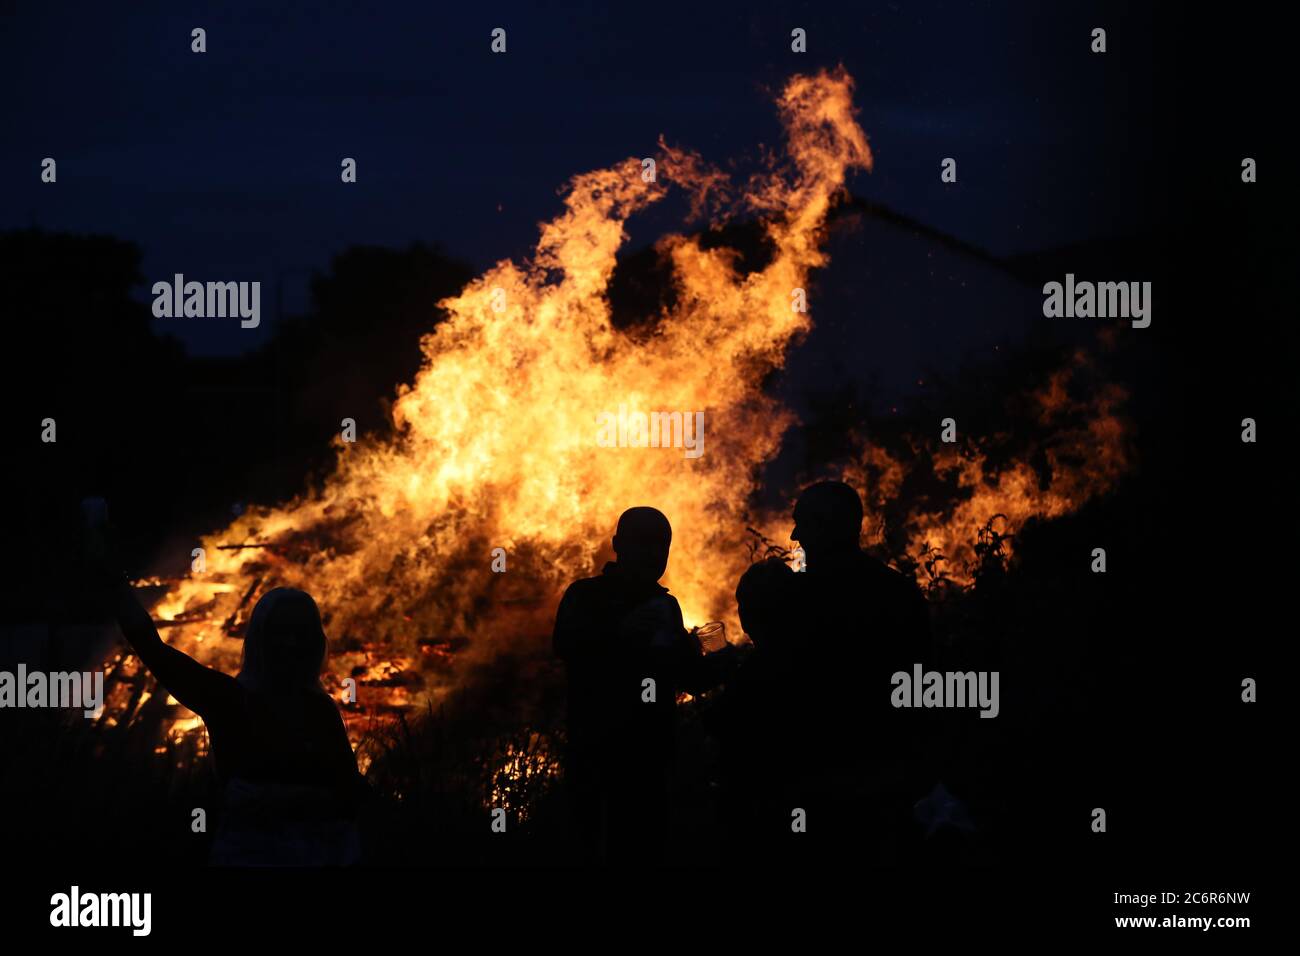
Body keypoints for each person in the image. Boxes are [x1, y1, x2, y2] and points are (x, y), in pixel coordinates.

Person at [88, 514, 367, 865]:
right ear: (262, 641)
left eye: (301, 633)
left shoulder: (320, 710)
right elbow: (153, 648)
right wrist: (114, 582)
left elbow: (350, 792)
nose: (292, 645)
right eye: (282, 633)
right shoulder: (231, 700)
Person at [552, 506, 726, 864]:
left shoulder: (665, 606)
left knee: (644, 850)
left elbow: (688, 677)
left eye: (660, 545)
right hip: (597, 756)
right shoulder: (585, 596)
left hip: (651, 761)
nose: (652, 553)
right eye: (642, 543)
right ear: (618, 544)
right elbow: (566, 646)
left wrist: (726, 660)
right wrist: (619, 633)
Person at [782, 480, 933, 863]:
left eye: (804, 524)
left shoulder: (797, 602)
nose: (795, 535)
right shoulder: (898, 593)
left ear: (830, 527)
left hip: (829, 783)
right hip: (881, 781)